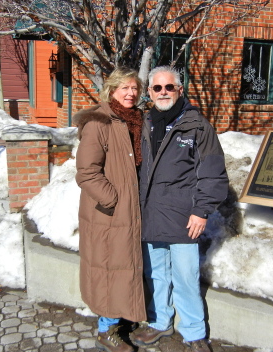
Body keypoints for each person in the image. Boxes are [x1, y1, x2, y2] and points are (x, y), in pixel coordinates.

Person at [130, 66, 229, 352]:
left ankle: (194, 332)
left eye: (169, 87)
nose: (163, 93)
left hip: (183, 217)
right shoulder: (143, 124)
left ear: (180, 90)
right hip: (149, 214)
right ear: (149, 93)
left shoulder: (198, 126)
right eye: (157, 88)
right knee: (156, 274)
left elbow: (213, 172)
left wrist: (201, 210)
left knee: (185, 278)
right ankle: (160, 322)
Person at [74, 67, 146, 352]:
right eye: (124, 88)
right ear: (112, 90)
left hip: (132, 210)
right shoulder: (100, 122)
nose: (131, 93)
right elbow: (87, 172)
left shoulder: (136, 120)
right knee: (109, 269)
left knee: (124, 268)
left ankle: (121, 318)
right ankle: (106, 330)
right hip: (110, 213)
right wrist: (114, 200)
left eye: (135, 88)